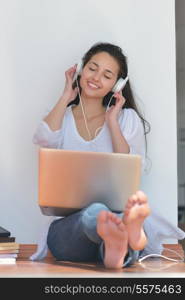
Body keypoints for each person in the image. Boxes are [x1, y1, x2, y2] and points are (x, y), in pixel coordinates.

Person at [31, 42, 185, 268]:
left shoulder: (126, 119)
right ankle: (126, 235)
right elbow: (44, 140)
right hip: (70, 229)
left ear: (118, 84)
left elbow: (132, 168)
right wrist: (66, 96)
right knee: (95, 214)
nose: (95, 77)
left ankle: (115, 252)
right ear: (81, 68)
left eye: (107, 75)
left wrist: (112, 121)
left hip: (114, 214)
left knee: (108, 216)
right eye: (92, 68)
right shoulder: (60, 118)